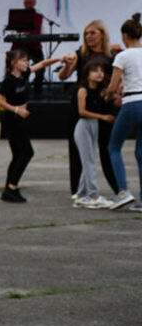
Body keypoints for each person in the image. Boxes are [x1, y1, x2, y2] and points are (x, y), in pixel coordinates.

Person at [58, 20, 120, 197]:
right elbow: (64, 76)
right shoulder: (81, 53)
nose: (89, 36)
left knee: (108, 147)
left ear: (102, 34)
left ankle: (119, 188)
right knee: (79, 149)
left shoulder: (112, 55)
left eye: (92, 33)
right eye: (86, 33)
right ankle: (79, 191)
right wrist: (68, 65)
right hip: (82, 101)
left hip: (104, 103)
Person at [0, 50, 63, 203]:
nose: (27, 63)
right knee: (27, 152)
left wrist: (60, 58)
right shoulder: (9, 80)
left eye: (27, 60)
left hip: (20, 119)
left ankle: (9, 188)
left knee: (18, 155)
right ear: (14, 63)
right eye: (23, 60)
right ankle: (11, 187)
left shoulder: (24, 75)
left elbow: (43, 64)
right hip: (12, 119)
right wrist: (17, 109)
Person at [105, 13, 142, 211]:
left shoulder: (123, 56)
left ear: (125, 35)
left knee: (114, 146)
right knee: (141, 152)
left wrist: (108, 96)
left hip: (132, 103)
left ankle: (122, 191)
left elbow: (113, 86)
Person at [72, 60, 116, 209]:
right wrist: (103, 117)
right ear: (87, 74)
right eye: (95, 70)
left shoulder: (100, 90)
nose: (99, 73)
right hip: (84, 127)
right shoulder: (83, 90)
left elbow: (111, 97)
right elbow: (81, 112)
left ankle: (80, 195)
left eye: (101, 70)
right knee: (89, 162)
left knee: (88, 161)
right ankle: (94, 195)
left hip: (94, 126)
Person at [10, 0, 45, 95]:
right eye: (27, 2)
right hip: (20, 46)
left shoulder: (39, 16)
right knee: (20, 68)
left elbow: (42, 31)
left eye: (31, 2)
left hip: (35, 46)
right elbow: (12, 30)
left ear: (35, 3)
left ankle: (38, 91)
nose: (29, 4)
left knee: (41, 67)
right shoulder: (17, 16)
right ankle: (20, 89)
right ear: (24, 3)